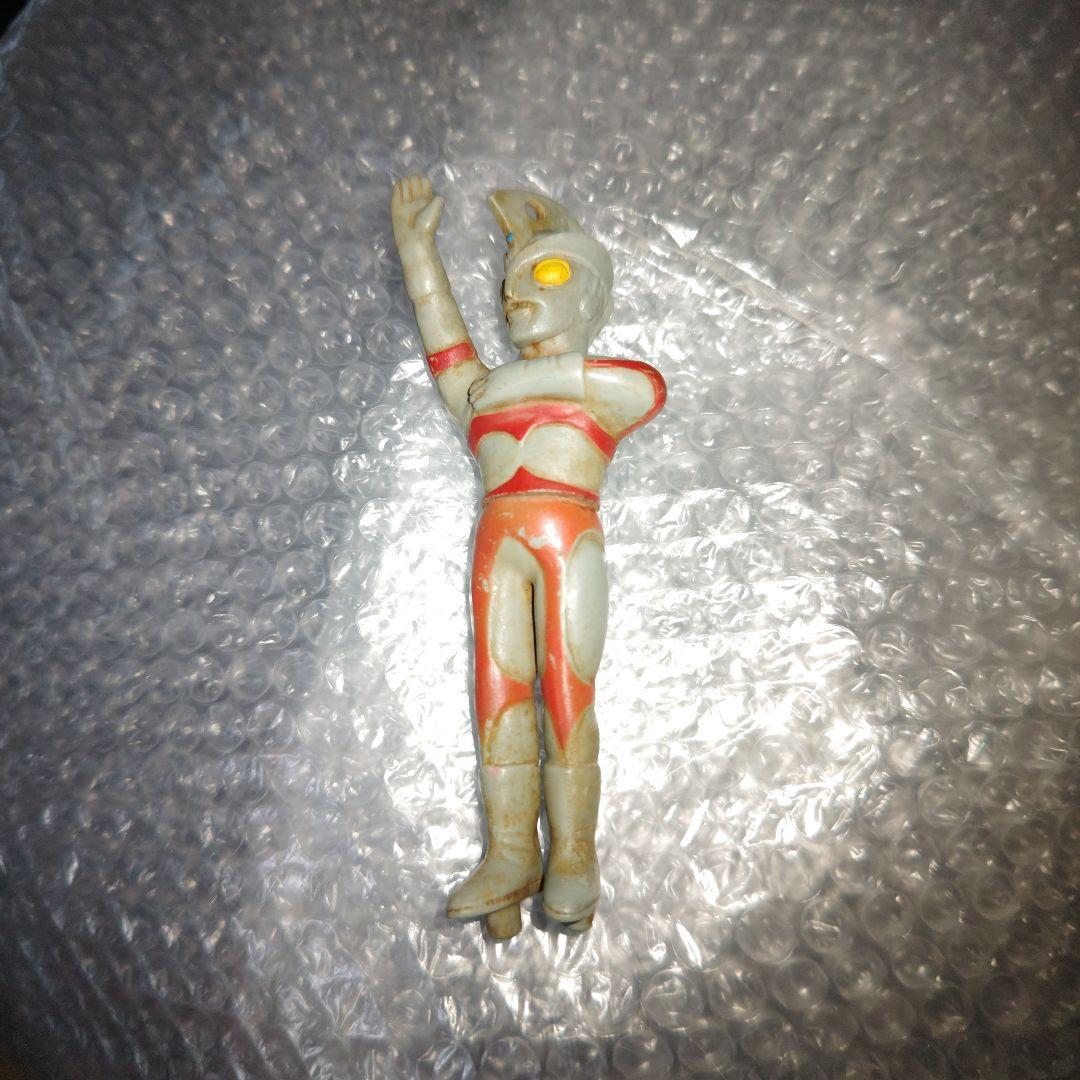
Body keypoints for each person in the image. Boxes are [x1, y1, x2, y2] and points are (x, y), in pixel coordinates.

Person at [391, 175, 666, 938]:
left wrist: (505, 384)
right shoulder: (487, 390)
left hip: (566, 541)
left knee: (567, 692)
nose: (516, 294)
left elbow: (645, 387)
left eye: (544, 273)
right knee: (498, 690)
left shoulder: (582, 387)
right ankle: (511, 852)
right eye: (510, 281)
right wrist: (417, 251)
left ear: (592, 296)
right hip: (501, 546)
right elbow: (442, 338)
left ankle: (573, 854)